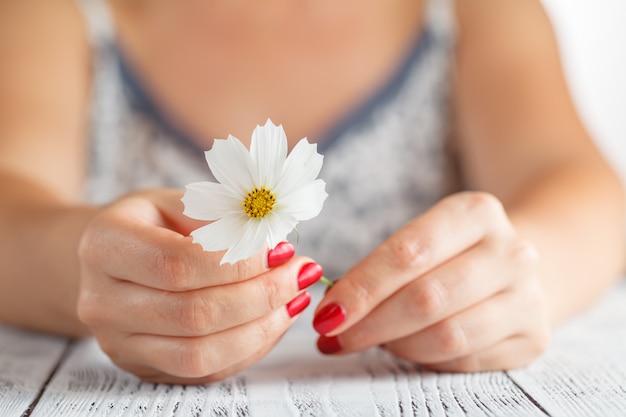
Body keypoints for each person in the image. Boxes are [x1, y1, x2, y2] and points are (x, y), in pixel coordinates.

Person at [0, 0, 624, 385]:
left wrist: (532, 267)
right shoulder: (51, 13)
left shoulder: (477, 12)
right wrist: (88, 267)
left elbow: (583, 186)